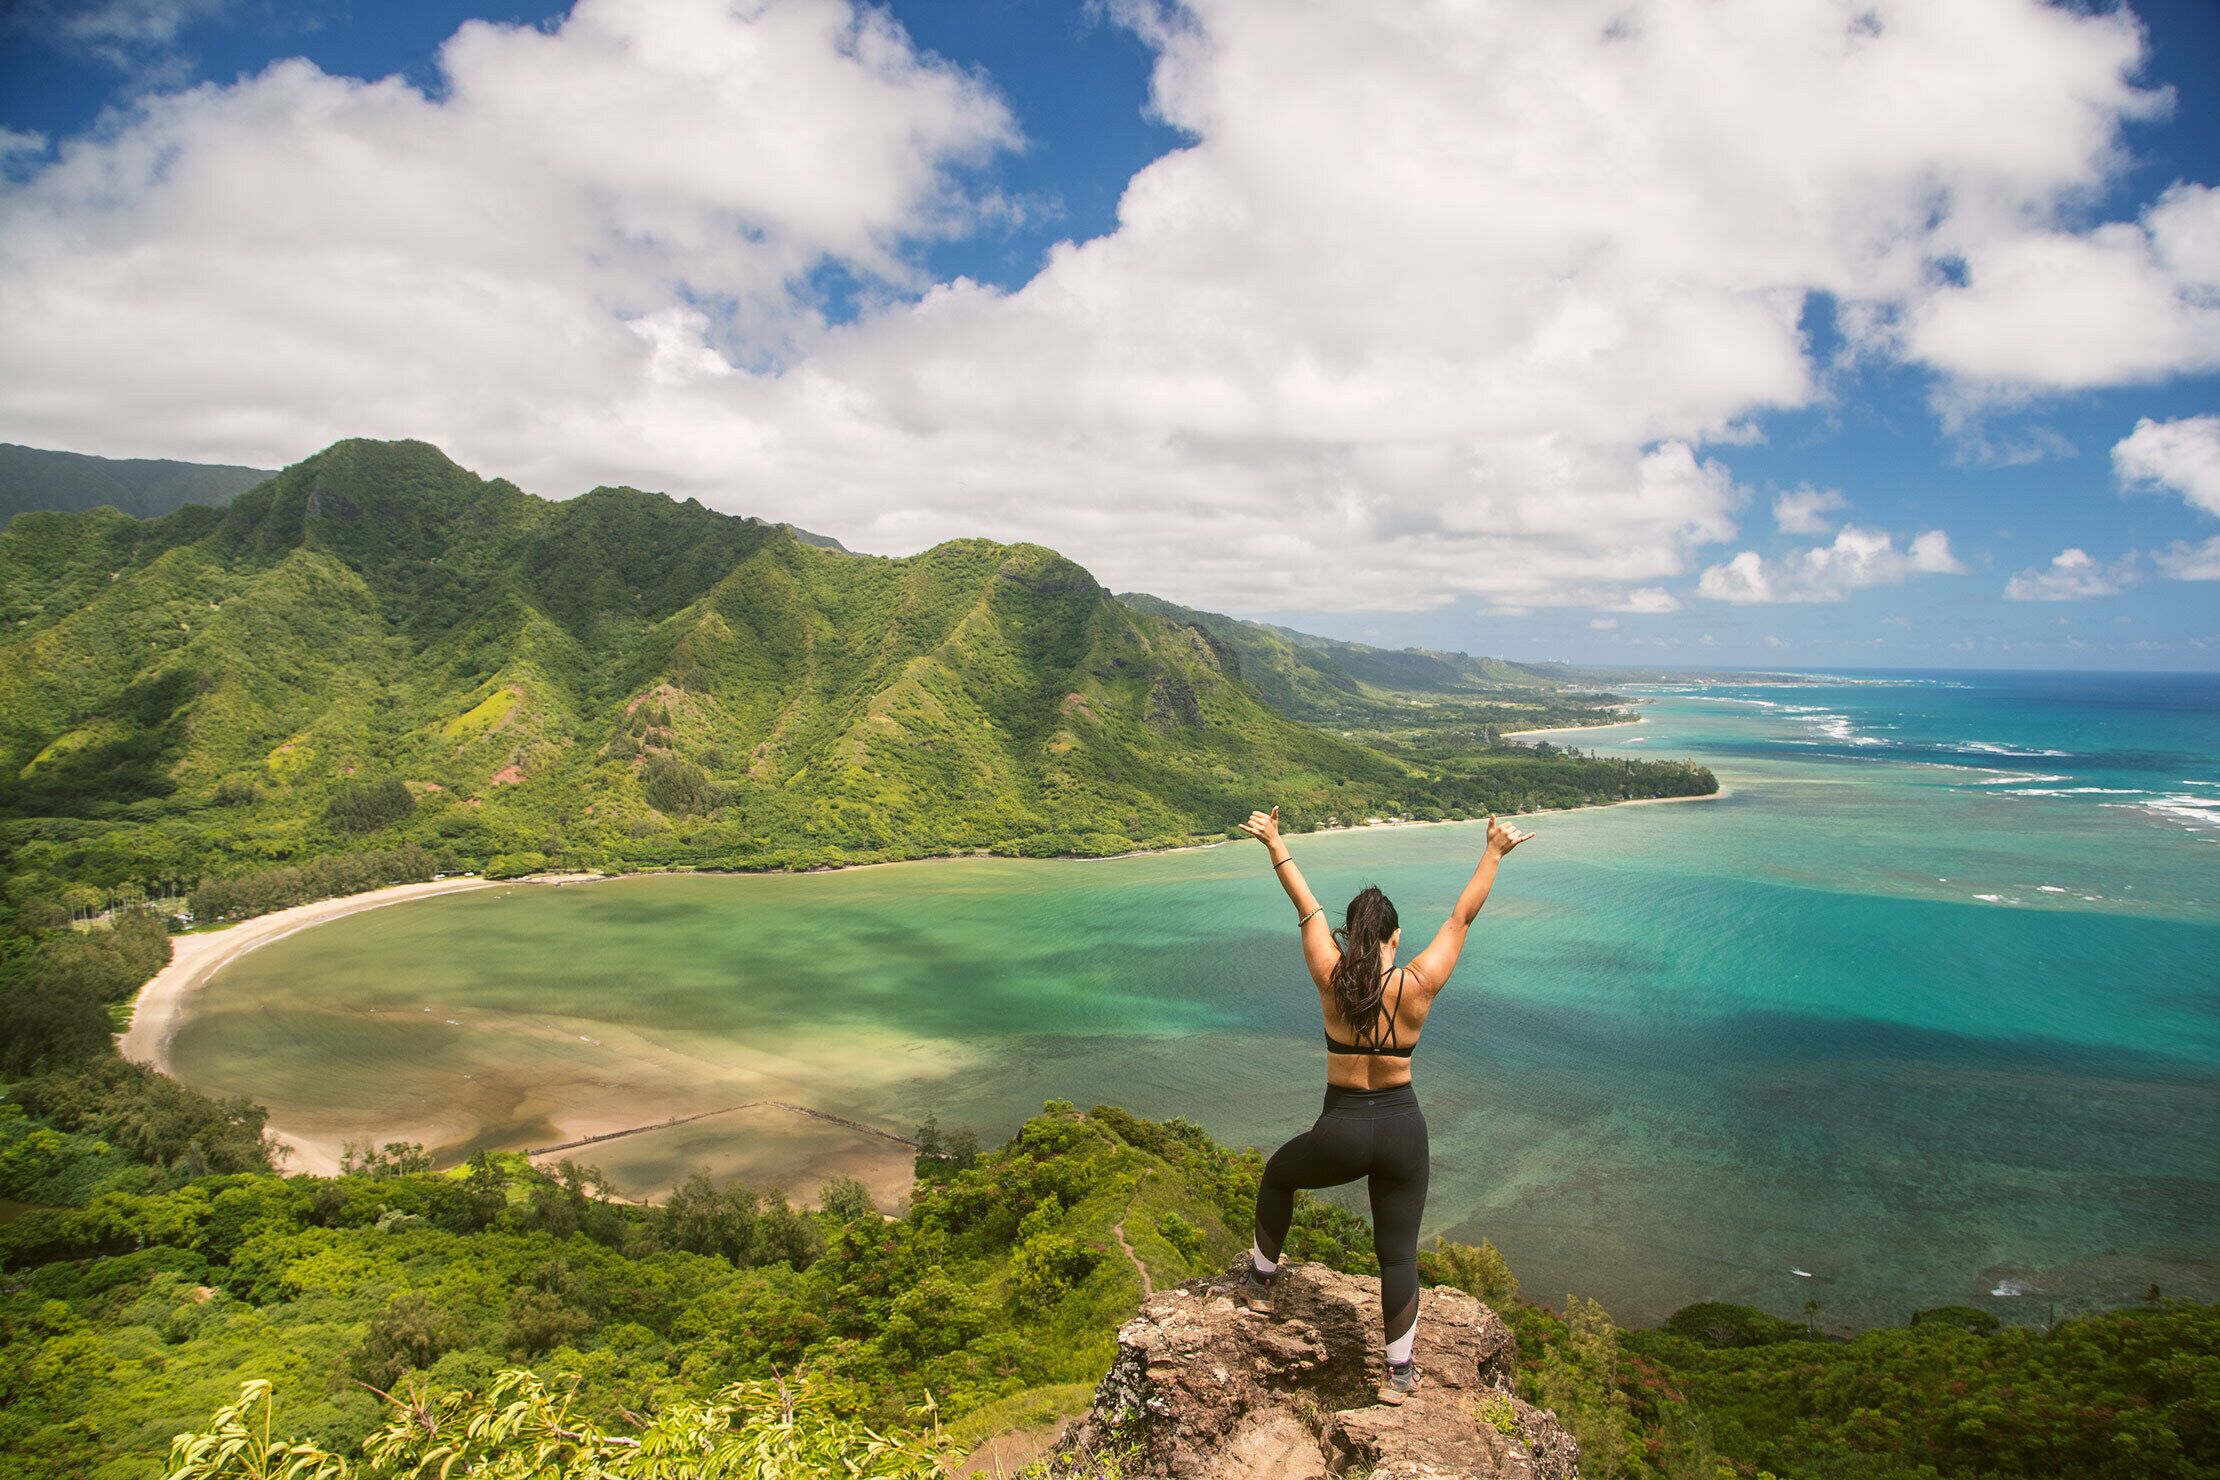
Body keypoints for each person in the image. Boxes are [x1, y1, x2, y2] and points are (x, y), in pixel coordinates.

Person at [1233, 804, 1533, 1405]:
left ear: (1351, 936)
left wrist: (1275, 841)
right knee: (1396, 1252)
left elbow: (1306, 907)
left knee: (1277, 1176)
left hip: (1341, 1128)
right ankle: (1399, 1375)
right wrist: (1494, 852)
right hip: (1403, 1130)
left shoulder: (1329, 976)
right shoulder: (1417, 985)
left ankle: (1262, 1283)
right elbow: (1461, 917)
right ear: (1395, 938)